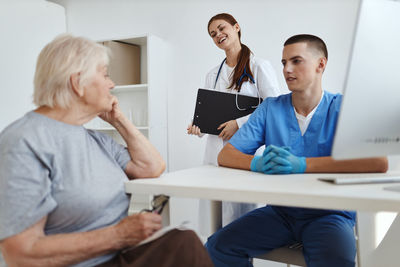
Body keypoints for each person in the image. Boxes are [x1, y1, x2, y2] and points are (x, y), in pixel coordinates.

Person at [0, 34, 213, 267]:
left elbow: (151, 167)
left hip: (117, 256)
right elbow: (20, 253)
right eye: (104, 74)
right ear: (77, 82)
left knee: (184, 242)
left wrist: (119, 119)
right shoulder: (24, 142)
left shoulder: (95, 139)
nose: (112, 84)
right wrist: (118, 235)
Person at [205, 34, 388, 267]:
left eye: (296, 61)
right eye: (283, 63)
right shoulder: (271, 108)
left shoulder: (343, 107)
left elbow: (377, 162)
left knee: (335, 260)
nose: (287, 69)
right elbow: (226, 155)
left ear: (320, 64)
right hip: (281, 213)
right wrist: (256, 164)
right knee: (219, 246)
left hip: (329, 215)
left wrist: (302, 165)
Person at [187, 13, 283, 226]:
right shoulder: (212, 74)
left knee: (243, 221)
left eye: (222, 29)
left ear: (236, 27)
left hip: (246, 151)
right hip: (215, 154)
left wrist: (238, 124)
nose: (218, 35)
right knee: (216, 220)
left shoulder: (258, 66)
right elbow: (210, 112)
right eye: (213, 34)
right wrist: (199, 127)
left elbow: (274, 106)